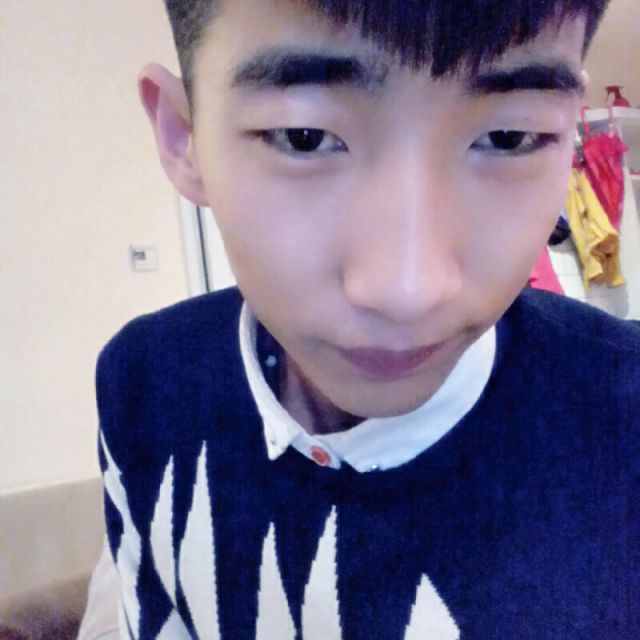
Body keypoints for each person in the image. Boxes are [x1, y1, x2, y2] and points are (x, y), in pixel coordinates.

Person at [82, 0, 640, 638]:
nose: (408, 291)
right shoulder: (144, 385)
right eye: (304, 137)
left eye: (508, 138)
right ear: (184, 135)